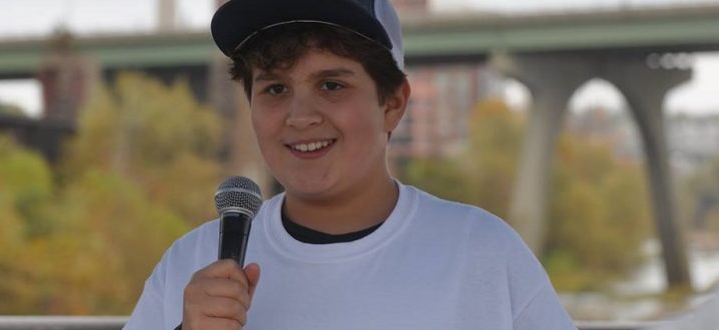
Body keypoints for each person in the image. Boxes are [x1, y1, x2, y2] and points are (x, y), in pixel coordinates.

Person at [124, 0, 577, 329]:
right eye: (275, 89)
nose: (300, 116)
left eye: (332, 85)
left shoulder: (483, 253)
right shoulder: (191, 263)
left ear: (393, 104)